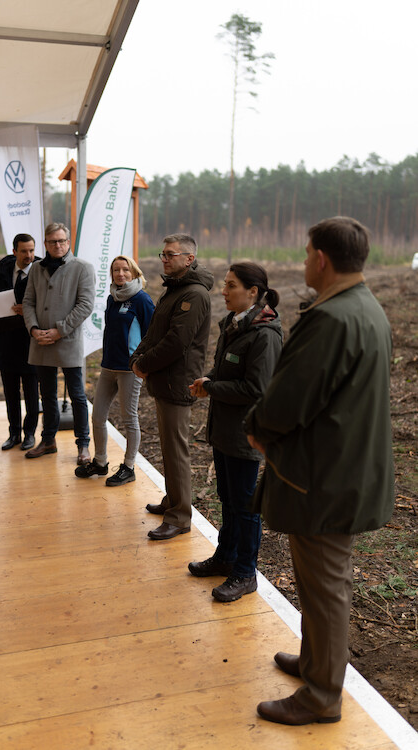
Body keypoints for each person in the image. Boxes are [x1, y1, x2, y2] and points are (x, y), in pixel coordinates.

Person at [244, 216, 394, 726]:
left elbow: (289, 399)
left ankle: (322, 695)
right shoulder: (365, 307)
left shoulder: (331, 318)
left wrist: (258, 425)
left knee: (327, 589)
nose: (305, 261)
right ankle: (315, 663)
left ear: (321, 259)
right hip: (342, 470)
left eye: (307, 254)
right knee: (317, 584)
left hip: (326, 478)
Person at [188, 262, 282, 602]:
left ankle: (245, 573)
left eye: (231, 286)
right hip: (224, 430)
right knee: (227, 498)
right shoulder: (234, 324)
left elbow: (257, 388)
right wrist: (208, 380)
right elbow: (226, 367)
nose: (223, 291)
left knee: (245, 506)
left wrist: (213, 387)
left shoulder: (265, 334)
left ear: (253, 292)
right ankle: (225, 556)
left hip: (245, 434)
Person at [130, 233, 213, 540]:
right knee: (167, 446)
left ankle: (179, 517)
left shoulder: (194, 295)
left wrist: (144, 364)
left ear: (189, 259)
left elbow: (176, 342)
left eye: (170, 254)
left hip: (177, 382)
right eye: (163, 254)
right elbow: (155, 332)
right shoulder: (176, 289)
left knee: (176, 452)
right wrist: (137, 356)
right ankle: (172, 501)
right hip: (163, 379)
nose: (164, 258)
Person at [75, 255, 154, 485]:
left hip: (130, 369)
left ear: (134, 273)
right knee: (98, 416)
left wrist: (143, 363)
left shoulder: (142, 300)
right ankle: (100, 462)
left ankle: (129, 467)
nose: (120, 274)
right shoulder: (112, 299)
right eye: (116, 270)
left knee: (130, 419)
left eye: (125, 270)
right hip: (108, 366)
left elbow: (152, 335)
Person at [22, 222, 95, 464]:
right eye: (53, 241)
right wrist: (33, 329)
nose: (58, 245)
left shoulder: (82, 268)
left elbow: (85, 305)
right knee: (48, 394)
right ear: (45, 243)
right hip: (41, 340)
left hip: (67, 341)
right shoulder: (35, 269)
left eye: (62, 241)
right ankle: (48, 440)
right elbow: (29, 301)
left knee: (77, 395)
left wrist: (59, 330)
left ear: (68, 242)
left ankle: (83, 444)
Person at [0, 233, 40, 451]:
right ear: (14, 252)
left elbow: (50, 305)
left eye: (31, 250)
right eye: (24, 251)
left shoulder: (41, 269)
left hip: (29, 340)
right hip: (5, 339)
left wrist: (29, 310)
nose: (29, 255)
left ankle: (30, 434)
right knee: (10, 391)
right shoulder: (4, 266)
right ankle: (14, 433)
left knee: (32, 391)